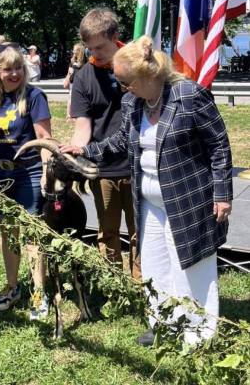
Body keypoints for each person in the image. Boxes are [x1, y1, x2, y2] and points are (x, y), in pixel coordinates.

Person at [61, 35, 233, 346]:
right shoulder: (133, 103)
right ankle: (163, 324)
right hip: (150, 201)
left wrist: (222, 193)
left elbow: (219, 146)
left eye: (126, 81)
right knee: (154, 262)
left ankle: (197, 334)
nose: (123, 87)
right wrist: (83, 150)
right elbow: (120, 143)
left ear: (146, 75)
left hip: (188, 199)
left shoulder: (190, 95)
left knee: (190, 265)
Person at [0, 42, 51, 320]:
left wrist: (45, 172)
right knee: (8, 232)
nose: (14, 73)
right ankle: (12, 286)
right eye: (8, 69)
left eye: (18, 67)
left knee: (32, 233)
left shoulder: (34, 97)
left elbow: (45, 139)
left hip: (28, 172)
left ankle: (38, 292)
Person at [69, 7, 139, 278]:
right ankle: (116, 285)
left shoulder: (137, 66)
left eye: (99, 46)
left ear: (116, 36)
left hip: (137, 163)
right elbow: (84, 125)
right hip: (104, 167)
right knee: (107, 232)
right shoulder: (84, 76)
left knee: (140, 232)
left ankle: (142, 287)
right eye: (89, 48)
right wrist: (76, 151)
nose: (93, 53)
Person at [63, 42, 86, 120]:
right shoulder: (73, 60)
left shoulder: (84, 61)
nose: (73, 51)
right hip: (73, 82)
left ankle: (77, 114)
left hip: (81, 82)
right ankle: (68, 115)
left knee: (79, 98)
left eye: (74, 50)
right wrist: (66, 80)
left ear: (79, 51)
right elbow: (69, 72)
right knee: (71, 97)